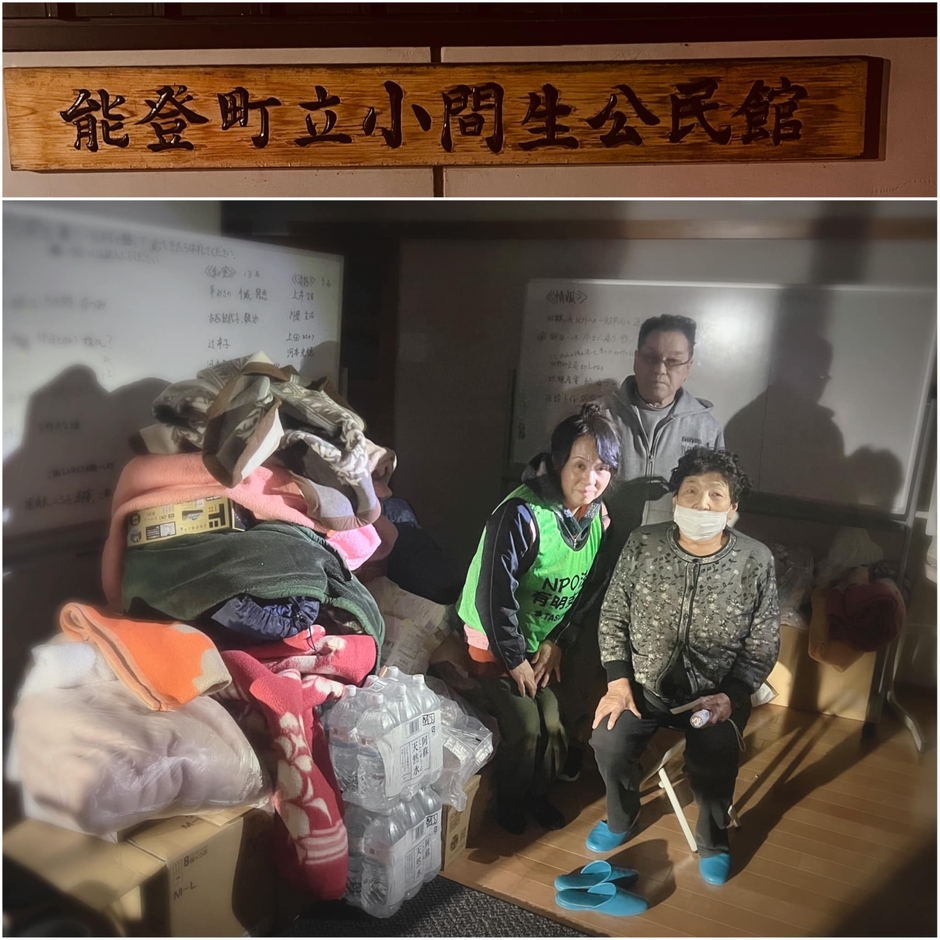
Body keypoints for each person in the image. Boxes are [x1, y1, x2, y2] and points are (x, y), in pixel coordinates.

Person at [588, 447, 779, 885]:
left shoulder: (755, 559)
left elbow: (764, 641)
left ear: (732, 508)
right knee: (607, 739)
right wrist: (617, 682)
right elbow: (614, 614)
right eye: (691, 491)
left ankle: (713, 837)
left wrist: (733, 695)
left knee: (715, 754)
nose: (702, 504)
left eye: (716, 495)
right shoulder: (643, 543)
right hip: (643, 686)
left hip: (716, 695)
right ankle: (621, 816)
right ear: (675, 499)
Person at [556, 314, 725, 781]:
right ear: (635, 358)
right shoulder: (601, 415)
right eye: (651, 357)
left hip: (664, 569)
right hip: (598, 556)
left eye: (673, 360)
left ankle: (631, 746)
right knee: (583, 654)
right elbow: (571, 479)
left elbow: (717, 501)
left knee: (651, 657)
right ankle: (573, 739)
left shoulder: (704, 426)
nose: (660, 369)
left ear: (688, 366)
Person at [456, 404, 621, 835]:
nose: (590, 479)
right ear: (559, 462)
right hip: (493, 640)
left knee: (553, 720)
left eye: (602, 468)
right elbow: (493, 596)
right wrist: (514, 659)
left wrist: (557, 640)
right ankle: (509, 803)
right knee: (527, 727)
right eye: (579, 465)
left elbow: (587, 589)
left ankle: (537, 796)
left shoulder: (599, 520)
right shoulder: (521, 514)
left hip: (537, 639)